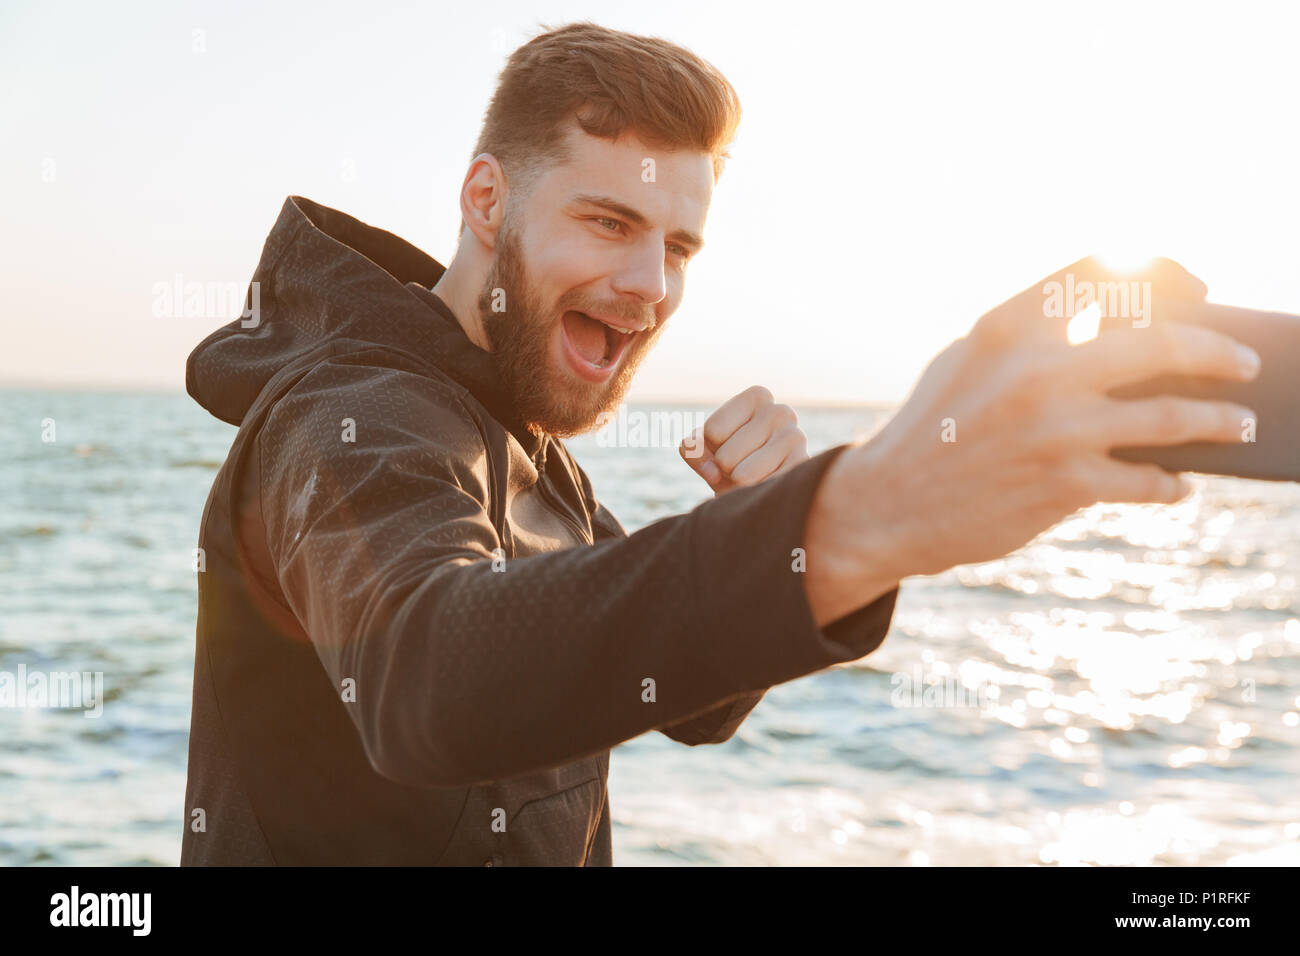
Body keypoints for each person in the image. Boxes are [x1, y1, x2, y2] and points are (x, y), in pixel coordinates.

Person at [180, 22, 1259, 866]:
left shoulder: (517, 430)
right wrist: (861, 507)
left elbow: (684, 704)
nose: (650, 286)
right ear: (484, 199)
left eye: (677, 244)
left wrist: (761, 526)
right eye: (608, 222)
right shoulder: (349, 414)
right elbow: (431, 681)